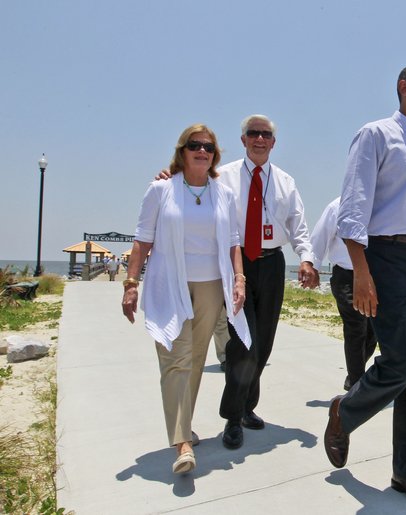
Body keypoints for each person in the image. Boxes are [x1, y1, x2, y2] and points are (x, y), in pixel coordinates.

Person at [323, 63, 406, 511]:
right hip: (385, 257)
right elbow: (353, 206)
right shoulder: (375, 134)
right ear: (403, 87)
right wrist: (361, 269)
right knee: (401, 363)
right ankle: (345, 412)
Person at [121, 124, 249, 475]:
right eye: (195, 145)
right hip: (169, 283)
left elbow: (233, 242)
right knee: (175, 359)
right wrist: (131, 283)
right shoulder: (161, 190)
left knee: (194, 359)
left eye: (208, 147)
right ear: (182, 151)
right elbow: (142, 240)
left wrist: (238, 279)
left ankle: (183, 426)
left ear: (215, 155)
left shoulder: (223, 194)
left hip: (211, 285)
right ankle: (182, 443)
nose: (202, 151)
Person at [215, 114, 320, 449]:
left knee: (264, 344)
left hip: (272, 264)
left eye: (266, 135)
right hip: (237, 262)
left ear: (273, 143)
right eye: (253, 134)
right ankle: (232, 418)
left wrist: (305, 258)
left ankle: (247, 407)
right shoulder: (223, 177)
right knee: (243, 344)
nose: (259, 139)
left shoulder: (286, 182)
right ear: (243, 139)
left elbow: (298, 224)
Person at [310, 197, 378, 391]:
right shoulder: (336, 206)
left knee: (373, 333)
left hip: (375, 277)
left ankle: (353, 375)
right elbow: (319, 238)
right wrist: (312, 266)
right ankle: (357, 386)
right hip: (346, 276)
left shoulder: (381, 204)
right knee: (356, 329)